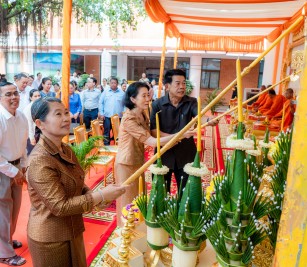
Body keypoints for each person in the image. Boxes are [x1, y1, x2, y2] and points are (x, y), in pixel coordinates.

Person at [26, 97, 127, 267]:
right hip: (50, 238)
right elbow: (60, 206)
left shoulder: (65, 149)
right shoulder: (39, 160)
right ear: (40, 123)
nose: (66, 118)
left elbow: (78, 183)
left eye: (66, 112)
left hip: (73, 229)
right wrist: (99, 195)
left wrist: (99, 198)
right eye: (58, 114)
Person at [115, 82, 194, 226]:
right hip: (126, 163)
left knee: (139, 198)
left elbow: (153, 133)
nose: (147, 99)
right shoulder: (128, 119)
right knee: (127, 201)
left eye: (148, 95)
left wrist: (177, 134)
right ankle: (123, 235)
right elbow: (151, 141)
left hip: (138, 160)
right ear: (133, 99)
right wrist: (180, 135)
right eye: (143, 96)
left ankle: (136, 230)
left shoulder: (142, 114)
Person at [150, 69, 218, 192]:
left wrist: (208, 120)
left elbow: (199, 116)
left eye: (184, 83)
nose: (182, 87)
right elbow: (154, 132)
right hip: (164, 153)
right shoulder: (157, 105)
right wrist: (178, 136)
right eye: (177, 83)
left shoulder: (191, 102)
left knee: (186, 193)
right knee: (160, 194)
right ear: (167, 86)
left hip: (186, 154)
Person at [0, 81, 28, 266]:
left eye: (15, 93)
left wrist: (23, 166)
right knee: (2, 211)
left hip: (16, 168)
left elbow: (23, 144)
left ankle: (7, 243)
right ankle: (4, 253)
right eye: (8, 94)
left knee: (15, 208)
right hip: (2, 170)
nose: (13, 98)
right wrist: (13, 172)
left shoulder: (21, 117)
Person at [99, 77, 125, 145]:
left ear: (117, 84)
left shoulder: (122, 93)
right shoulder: (105, 92)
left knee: (117, 133)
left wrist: (124, 113)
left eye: (115, 83)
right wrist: (101, 113)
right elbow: (100, 102)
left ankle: (117, 147)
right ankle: (106, 147)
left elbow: (125, 104)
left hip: (118, 117)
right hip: (107, 116)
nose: (113, 84)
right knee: (106, 132)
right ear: (109, 84)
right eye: (112, 83)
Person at [23, 89, 41, 155]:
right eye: (35, 96)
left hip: (39, 132)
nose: (38, 98)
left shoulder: (40, 105)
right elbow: (29, 124)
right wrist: (31, 138)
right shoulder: (28, 109)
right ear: (31, 98)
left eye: (39, 96)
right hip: (31, 133)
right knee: (32, 153)